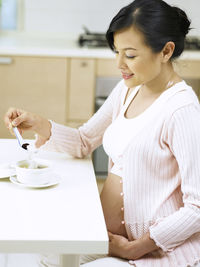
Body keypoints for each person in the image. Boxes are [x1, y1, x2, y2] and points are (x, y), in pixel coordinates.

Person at [4, 0, 200, 266]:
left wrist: (135, 249)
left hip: (151, 252)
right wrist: (40, 124)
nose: (120, 63)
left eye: (130, 55)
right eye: (117, 52)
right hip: (106, 237)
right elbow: (84, 141)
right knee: (41, 252)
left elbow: (196, 208)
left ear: (166, 51)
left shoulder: (182, 110)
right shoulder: (129, 89)